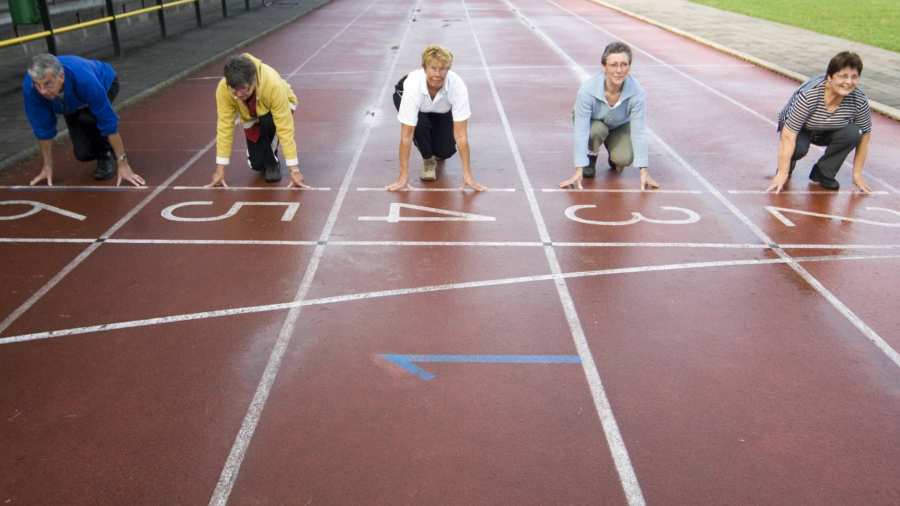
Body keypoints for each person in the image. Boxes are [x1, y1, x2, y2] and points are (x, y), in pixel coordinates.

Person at [23, 53, 145, 186]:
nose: (43, 92)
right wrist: (47, 166)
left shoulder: (85, 80)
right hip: (70, 102)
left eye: (47, 84)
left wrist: (123, 164)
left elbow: (108, 121)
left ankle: (105, 155)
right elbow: (43, 129)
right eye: (38, 85)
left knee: (88, 117)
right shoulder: (31, 89)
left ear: (61, 77)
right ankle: (101, 147)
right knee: (83, 153)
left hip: (105, 82)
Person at [767, 51, 872, 193]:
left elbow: (865, 137)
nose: (848, 82)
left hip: (829, 129)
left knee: (854, 132)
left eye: (854, 77)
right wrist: (782, 173)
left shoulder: (859, 100)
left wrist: (857, 174)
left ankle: (824, 172)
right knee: (798, 148)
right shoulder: (809, 95)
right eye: (843, 76)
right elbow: (788, 136)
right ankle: (788, 165)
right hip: (800, 129)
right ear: (829, 77)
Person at [559, 41, 658, 191]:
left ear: (629, 67)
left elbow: (639, 132)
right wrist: (579, 169)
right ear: (604, 67)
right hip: (595, 123)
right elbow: (581, 132)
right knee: (597, 130)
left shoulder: (638, 93)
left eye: (624, 64)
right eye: (613, 65)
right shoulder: (587, 91)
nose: (619, 70)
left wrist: (643, 171)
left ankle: (614, 157)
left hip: (619, 124)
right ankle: (591, 156)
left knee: (624, 158)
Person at [388, 44, 485, 191]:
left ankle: (435, 148)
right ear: (425, 68)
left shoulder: (457, 86)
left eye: (442, 69)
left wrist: (467, 175)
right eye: (433, 68)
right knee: (419, 125)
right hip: (416, 104)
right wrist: (403, 177)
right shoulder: (413, 85)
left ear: (448, 69)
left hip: (441, 109)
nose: (437, 74)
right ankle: (428, 159)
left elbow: (461, 136)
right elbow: (406, 136)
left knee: (445, 151)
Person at [208, 53, 309, 188]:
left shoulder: (272, 84)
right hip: (250, 115)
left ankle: (272, 164)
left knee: (267, 123)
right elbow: (224, 126)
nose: (238, 95)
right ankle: (266, 158)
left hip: (276, 108)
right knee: (257, 165)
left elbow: (285, 128)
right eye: (234, 90)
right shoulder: (224, 88)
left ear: (253, 80)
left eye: (244, 89)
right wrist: (220, 169)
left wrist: (294, 169)